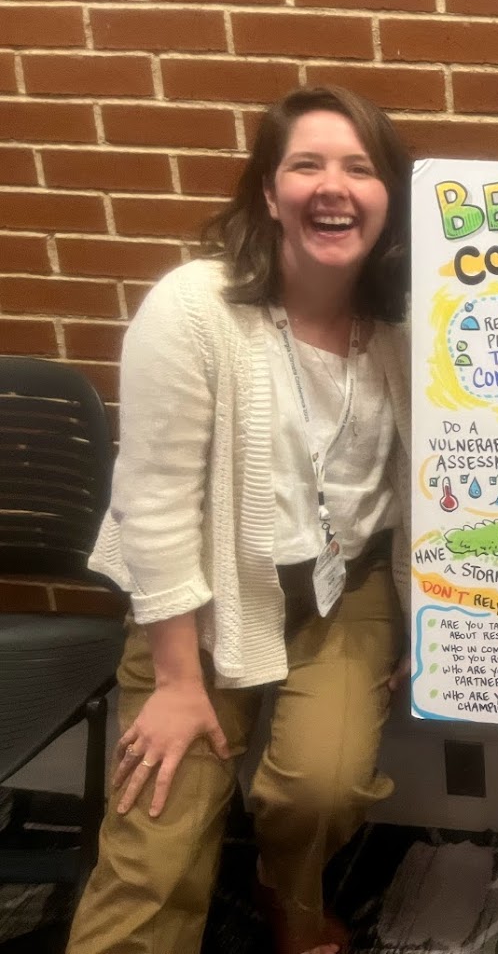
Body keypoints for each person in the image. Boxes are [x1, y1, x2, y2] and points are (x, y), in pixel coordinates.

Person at [68, 86, 414, 954]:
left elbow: (438, 483)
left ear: (388, 196)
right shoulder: (197, 307)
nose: (333, 185)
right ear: (268, 190)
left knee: (321, 786)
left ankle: (283, 892)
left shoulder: (409, 324)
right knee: (158, 828)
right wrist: (180, 679)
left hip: (350, 581)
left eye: (359, 167)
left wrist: (431, 613)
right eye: (306, 164)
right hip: (209, 585)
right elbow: (152, 504)